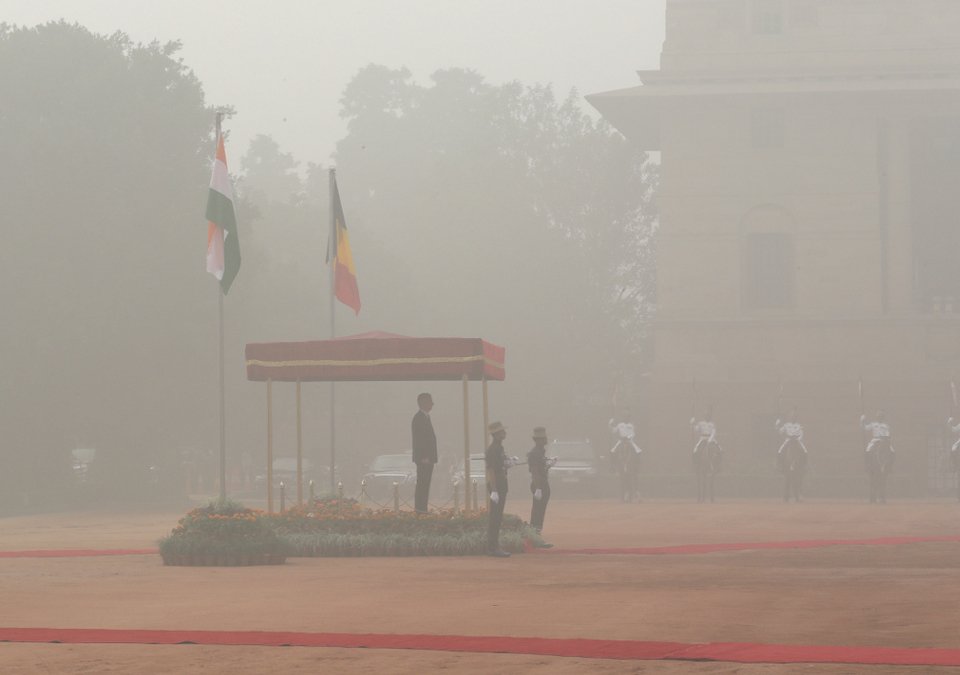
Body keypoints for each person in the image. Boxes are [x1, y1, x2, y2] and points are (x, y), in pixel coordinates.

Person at [485, 421, 516, 557]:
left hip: (501, 483)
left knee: (498, 517)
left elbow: (500, 466)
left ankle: (494, 545)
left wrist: (509, 463)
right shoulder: (493, 449)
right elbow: (491, 470)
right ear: (496, 434)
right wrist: (494, 490)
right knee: (495, 517)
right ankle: (492, 547)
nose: (504, 433)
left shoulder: (499, 448)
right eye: (501, 432)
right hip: (496, 484)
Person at [527, 426, 556, 547]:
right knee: (537, 512)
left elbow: (541, 469)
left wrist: (549, 464)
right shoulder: (535, 453)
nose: (546, 439)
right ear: (537, 440)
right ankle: (535, 538)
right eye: (543, 438)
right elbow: (535, 472)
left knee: (540, 511)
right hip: (539, 485)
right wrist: (538, 488)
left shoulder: (540, 452)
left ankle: (536, 537)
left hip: (542, 483)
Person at [411, 392, 437, 514]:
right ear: (423, 403)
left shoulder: (426, 417)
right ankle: (420, 510)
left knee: (425, 485)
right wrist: (424, 457)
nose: (432, 404)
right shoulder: (418, 418)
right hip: (424, 459)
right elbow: (420, 440)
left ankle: (423, 509)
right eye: (430, 401)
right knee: (422, 484)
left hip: (428, 458)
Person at [608, 413, 643, 502]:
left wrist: (628, 437)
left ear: (629, 417)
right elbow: (613, 431)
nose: (625, 418)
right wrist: (610, 424)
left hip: (629, 441)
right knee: (612, 450)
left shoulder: (631, 426)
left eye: (627, 416)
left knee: (638, 450)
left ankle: (638, 465)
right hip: (621, 440)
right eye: (624, 416)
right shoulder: (620, 425)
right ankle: (612, 467)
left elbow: (633, 434)